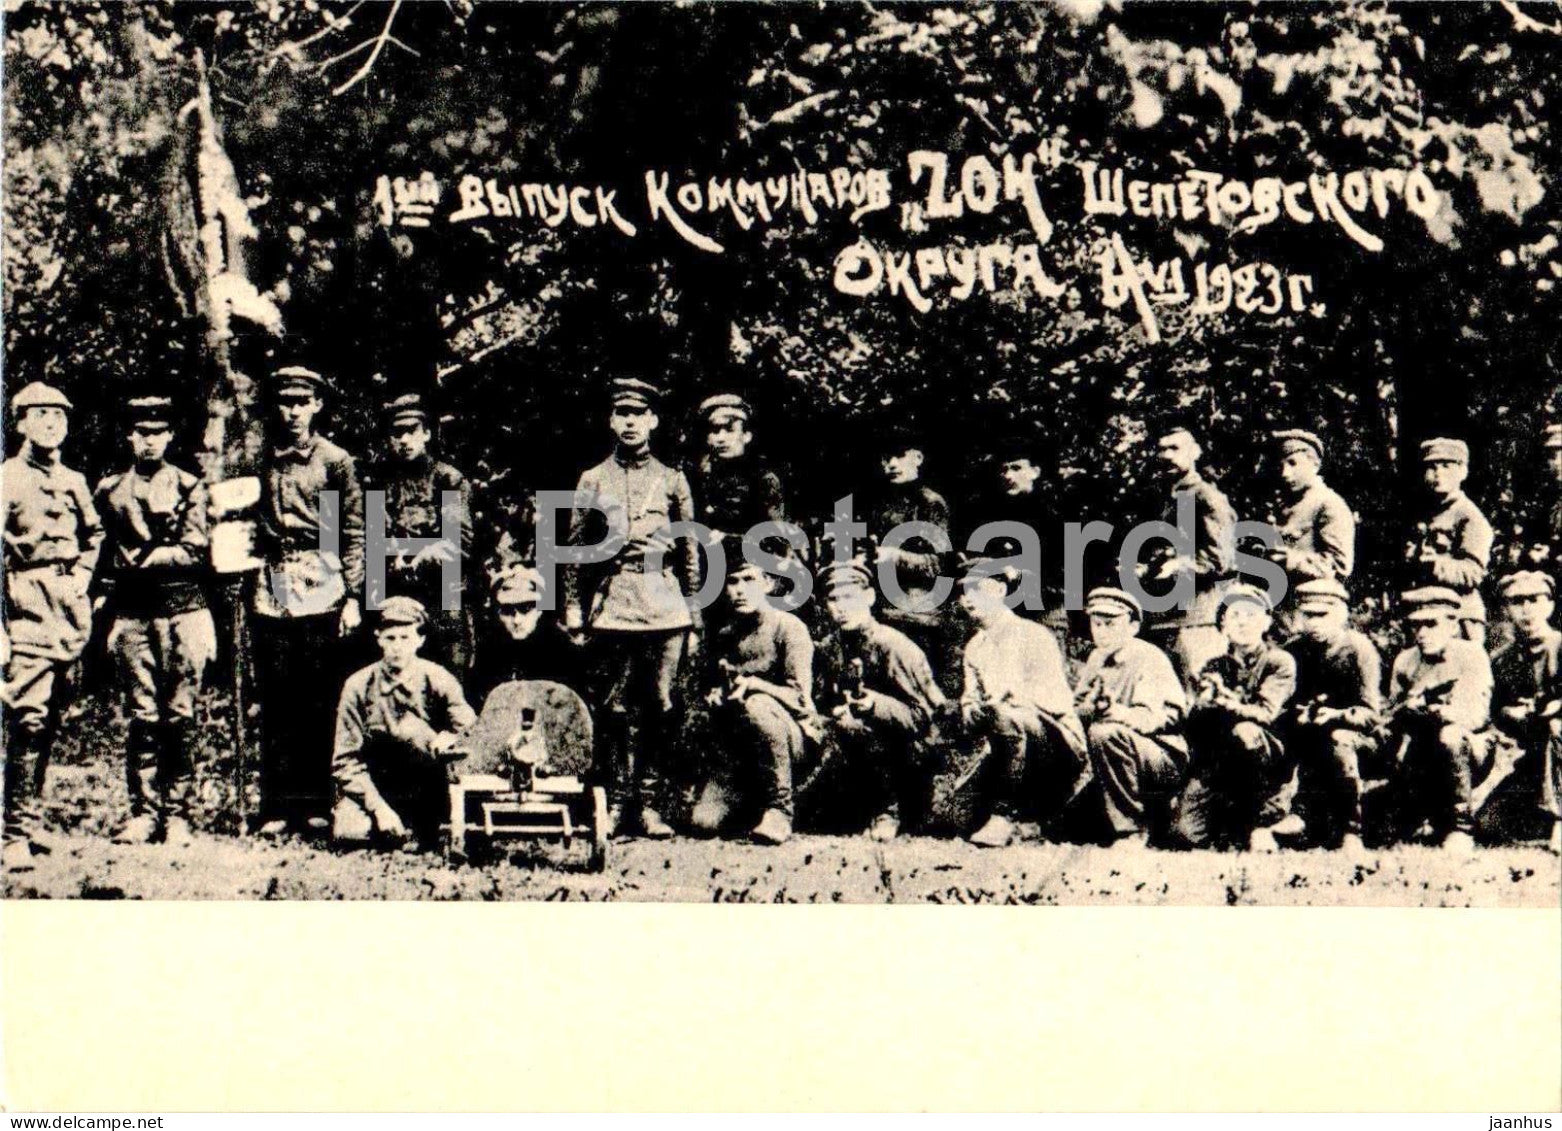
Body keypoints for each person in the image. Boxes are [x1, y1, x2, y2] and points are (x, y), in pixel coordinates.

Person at [563, 377, 701, 838]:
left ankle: (650, 803)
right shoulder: (592, 479)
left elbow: (689, 551)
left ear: (653, 421)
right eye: (622, 414)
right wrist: (573, 607)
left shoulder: (672, 479)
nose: (629, 423)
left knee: (661, 706)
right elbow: (575, 550)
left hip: (665, 605)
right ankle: (618, 802)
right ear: (611, 421)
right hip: (615, 603)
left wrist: (695, 616)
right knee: (616, 707)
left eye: (638, 415)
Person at [92, 395, 216, 846]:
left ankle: (179, 813)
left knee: (181, 714)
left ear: (169, 436)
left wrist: (147, 558)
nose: (149, 441)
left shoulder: (189, 486)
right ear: (130, 437)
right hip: (132, 616)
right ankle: (144, 812)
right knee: (142, 715)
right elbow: (100, 557)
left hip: (183, 611)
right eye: (141, 433)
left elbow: (196, 549)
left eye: (157, 433)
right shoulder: (108, 491)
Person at [248, 365, 365, 838]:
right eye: (285, 402)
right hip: (273, 579)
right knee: (277, 696)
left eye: (302, 402)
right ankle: (277, 805)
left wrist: (355, 594)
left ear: (317, 405)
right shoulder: (260, 458)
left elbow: (354, 530)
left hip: (322, 578)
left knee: (319, 698)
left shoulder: (335, 461)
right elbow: (245, 519)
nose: (293, 412)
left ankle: (318, 803)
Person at [1, 382, 103, 871]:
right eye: (40, 415)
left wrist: (83, 574)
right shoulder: (7, 478)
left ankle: (30, 820)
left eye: (59, 416)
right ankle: (12, 834)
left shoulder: (75, 479)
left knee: (53, 719)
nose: (51, 424)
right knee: (27, 718)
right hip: (26, 605)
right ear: (20, 422)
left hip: (68, 609)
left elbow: (96, 532)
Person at [805, 560, 946, 841]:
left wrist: (874, 706)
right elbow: (819, 702)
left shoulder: (893, 646)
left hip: (907, 757)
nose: (841, 607)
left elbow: (926, 717)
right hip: (851, 754)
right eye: (833, 599)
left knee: (854, 726)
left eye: (849, 597)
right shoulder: (829, 648)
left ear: (869, 597)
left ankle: (890, 812)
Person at [953, 558, 1087, 848]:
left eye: (977, 589)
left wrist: (1010, 699)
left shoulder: (1033, 636)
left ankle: (1007, 815)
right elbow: (969, 703)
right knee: (956, 816)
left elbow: (1055, 701)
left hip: (1056, 744)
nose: (968, 599)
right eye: (963, 592)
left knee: (1008, 717)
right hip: (1006, 744)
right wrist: (974, 711)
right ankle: (1027, 817)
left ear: (1000, 590)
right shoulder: (975, 647)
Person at [331, 596, 476, 850]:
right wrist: (378, 809)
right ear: (378, 638)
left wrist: (451, 737)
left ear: (420, 640)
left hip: (425, 783)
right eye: (390, 638)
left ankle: (424, 823)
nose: (397, 647)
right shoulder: (358, 686)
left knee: (413, 729)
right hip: (375, 783)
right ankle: (393, 823)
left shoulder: (438, 678)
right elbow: (345, 761)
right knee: (349, 832)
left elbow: (472, 729)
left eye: (405, 638)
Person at [688, 559, 815, 844]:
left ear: (768, 584)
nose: (740, 590)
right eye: (732, 582)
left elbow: (800, 699)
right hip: (740, 748)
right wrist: (717, 695)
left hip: (790, 740)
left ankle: (780, 809)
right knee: (702, 822)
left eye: (749, 580)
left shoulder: (788, 627)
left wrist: (755, 686)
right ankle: (746, 801)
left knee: (756, 704)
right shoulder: (726, 635)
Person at [1172, 585, 1297, 852]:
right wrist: (1202, 702)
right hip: (1222, 763)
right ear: (1223, 625)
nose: (1243, 622)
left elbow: (1265, 712)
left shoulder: (1279, 662)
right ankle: (1229, 820)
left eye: (1251, 615)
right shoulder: (1215, 666)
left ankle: (1262, 821)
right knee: (1187, 833)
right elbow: (1196, 724)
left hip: (1269, 763)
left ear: (1266, 622)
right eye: (1235, 615)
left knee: (1246, 732)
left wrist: (1224, 700)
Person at [361, 393, 474, 673]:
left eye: (411, 431)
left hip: (442, 590)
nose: (404, 440)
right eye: (397, 433)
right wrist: (393, 558)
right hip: (396, 587)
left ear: (425, 434)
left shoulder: (448, 479)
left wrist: (421, 556)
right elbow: (372, 540)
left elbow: (458, 542)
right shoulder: (378, 482)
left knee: (449, 672)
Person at [1074, 587, 1189, 848]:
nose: (1102, 631)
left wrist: (1119, 714)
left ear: (1133, 626)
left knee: (1104, 733)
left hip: (1161, 756)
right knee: (1069, 825)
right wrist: (1091, 707)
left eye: (1111, 624)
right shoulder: (1096, 659)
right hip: (1117, 756)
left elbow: (1163, 717)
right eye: (1097, 624)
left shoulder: (1148, 658)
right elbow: (1077, 711)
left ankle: (1131, 829)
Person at [1382, 586, 1493, 853]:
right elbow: (1390, 716)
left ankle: (1461, 826)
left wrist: (1435, 710)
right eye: (1415, 626)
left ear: (1453, 624)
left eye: (1431, 624)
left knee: (1450, 735)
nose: (1422, 633)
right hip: (1421, 749)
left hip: (1470, 748)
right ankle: (1420, 814)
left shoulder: (1471, 655)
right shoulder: (1406, 661)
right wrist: (1407, 710)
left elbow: (1476, 716)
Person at [1281, 578, 1383, 854]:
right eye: (1307, 615)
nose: (1313, 622)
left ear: (1340, 615)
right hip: (1309, 735)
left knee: (1338, 740)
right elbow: (1282, 702)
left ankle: (1352, 829)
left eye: (1321, 615)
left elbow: (1371, 715)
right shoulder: (1294, 650)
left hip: (1356, 740)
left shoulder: (1358, 650)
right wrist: (1298, 714)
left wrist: (1337, 716)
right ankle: (1281, 816)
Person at [861, 432, 959, 693]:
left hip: (920, 610)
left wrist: (895, 557)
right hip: (882, 605)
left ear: (917, 458)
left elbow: (940, 564)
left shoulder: (930, 503)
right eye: (886, 458)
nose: (891, 464)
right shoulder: (878, 503)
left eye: (899, 455)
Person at [1140, 427, 1237, 683]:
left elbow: (1221, 559)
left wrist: (1180, 565)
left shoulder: (1207, 498)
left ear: (1195, 452)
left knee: (1196, 694)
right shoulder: (1159, 498)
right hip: (1159, 619)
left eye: (1175, 448)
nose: (1167, 455)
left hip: (1195, 620)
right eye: (1161, 449)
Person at [1483, 571, 1561, 853]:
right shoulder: (1502, 659)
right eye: (1517, 602)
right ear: (1506, 609)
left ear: (1550, 605)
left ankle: (1558, 823)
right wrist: (1511, 713)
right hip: (1536, 760)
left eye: (1534, 600)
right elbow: (1493, 712)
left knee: (1557, 728)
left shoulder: (1559, 646)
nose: (1526, 609)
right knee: (1487, 825)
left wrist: (1554, 708)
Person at [1403, 438, 1493, 644]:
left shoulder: (1469, 516)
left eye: (1446, 466)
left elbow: (1473, 573)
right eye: (1431, 467)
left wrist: (1435, 564)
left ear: (1463, 472)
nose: (1438, 474)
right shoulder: (1424, 513)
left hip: (1459, 616)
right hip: (1425, 611)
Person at [471, 561, 579, 700]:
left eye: (526, 609)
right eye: (507, 611)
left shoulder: (563, 652)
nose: (517, 620)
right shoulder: (489, 651)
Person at [688, 394, 786, 545]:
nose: (721, 438)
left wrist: (731, 539)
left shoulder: (763, 480)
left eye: (729, 430)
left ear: (746, 436)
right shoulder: (698, 478)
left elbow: (777, 538)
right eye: (715, 431)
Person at [1268, 429, 1355, 587]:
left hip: (1316, 603)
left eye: (1293, 463)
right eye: (1281, 466)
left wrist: (1291, 560)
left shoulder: (1329, 504)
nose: (1285, 473)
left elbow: (1339, 567)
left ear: (1314, 465)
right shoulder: (1282, 507)